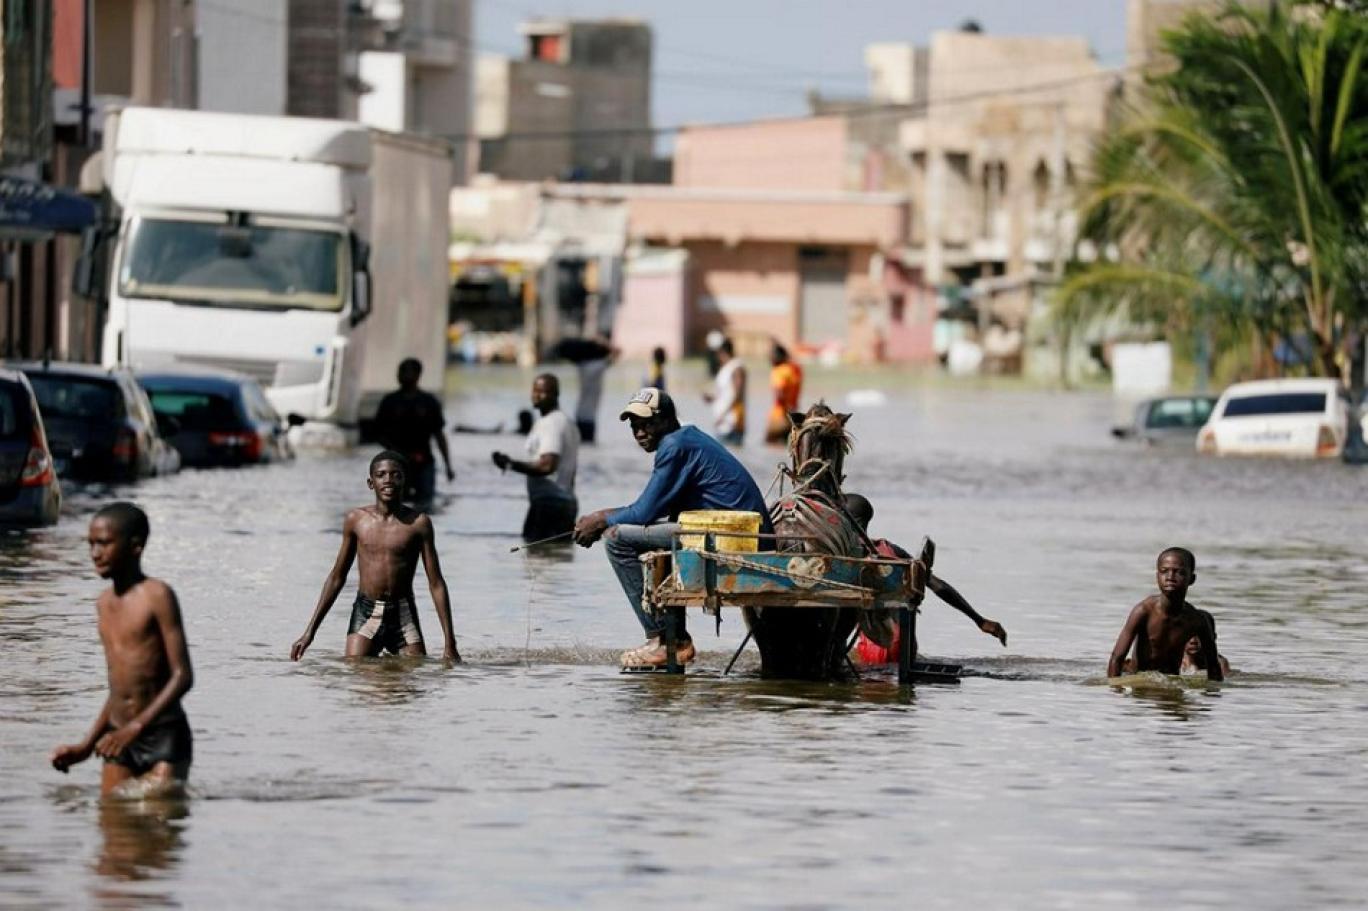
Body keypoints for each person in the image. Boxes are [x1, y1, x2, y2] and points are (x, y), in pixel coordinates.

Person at [573, 388, 772, 669]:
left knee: (617, 538)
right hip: (732, 530)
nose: (640, 432)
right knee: (650, 534)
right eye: (634, 426)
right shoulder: (686, 440)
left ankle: (663, 639)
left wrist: (600, 518)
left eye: (647, 424)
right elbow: (656, 509)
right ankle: (674, 637)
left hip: (732, 535)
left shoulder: (674, 446)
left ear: (666, 419)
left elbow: (643, 511)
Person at [51, 503, 195, 797]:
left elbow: (182, 676)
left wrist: (137, 727)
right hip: (118, 737)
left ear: (135, 546)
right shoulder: (103, 604)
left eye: (104, 543)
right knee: (114, 830)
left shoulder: (157, 596)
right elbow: (118, 691)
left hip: (161, 735)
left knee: (158, 824)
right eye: (91, 544)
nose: (95, 553)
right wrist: (86, 746)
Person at [290, 451, 460, 662]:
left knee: (413, 679)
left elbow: (436, 583)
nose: (388, 480)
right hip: (366, 612)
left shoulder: (419, 524)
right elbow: (337, 577)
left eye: (395, 474)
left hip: (403, 614)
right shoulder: (356, 520)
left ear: (404, 480)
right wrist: (309, 633)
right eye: (381, 475)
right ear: (371, 483)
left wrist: (449, 642)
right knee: (356, 672)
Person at [843, 494, 1007, 664]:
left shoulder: (840, 558)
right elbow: (938, 586)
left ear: (844, 520)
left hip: (872, 647)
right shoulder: (891, 551)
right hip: (904, 646)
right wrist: (979, 620)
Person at [1107, 547, 1223, 680]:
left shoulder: (1197, 620)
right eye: (1164, 571)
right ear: (1157, 576)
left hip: (1172, 681)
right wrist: (1115, 692)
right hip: (1141, 688)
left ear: (1192, 579)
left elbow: (1214, 667)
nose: (1170, 577)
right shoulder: (1143, 611)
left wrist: (1213, 697)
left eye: (1179, 572)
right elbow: (1117, 658)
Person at [492, 374, 580, 542]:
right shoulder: (567, 421)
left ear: (555, 394)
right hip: (565, 502)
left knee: (537, 561)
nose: (536, 395)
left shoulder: (551, 423)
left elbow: (547, 466)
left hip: (549, 505)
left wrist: (510, 464)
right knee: (555, 560)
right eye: (534, 390)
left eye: (543, 391)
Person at [373, 358, 455, 503]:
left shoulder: (429, 402)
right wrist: (395, 452)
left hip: (424, 462)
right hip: (396, 464)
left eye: (405, 372)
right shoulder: (390, 401)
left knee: (425, 503)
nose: (401, 376)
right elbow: (377, 433)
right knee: (395, 503)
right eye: (400, 372)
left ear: (417, 375)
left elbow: (439, 435)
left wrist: (448, 465)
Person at [553, 336, 618, 444]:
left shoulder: (583, 366)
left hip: (581, 415)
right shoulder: (596, 367)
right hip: (588, 418)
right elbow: (617, 352)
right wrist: (602, 342)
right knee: (589, 448)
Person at [703, 338, 746, 445]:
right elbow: (725, 394)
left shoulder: (736, 367)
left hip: (732, 423)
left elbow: (737, 395)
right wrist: (712, 398)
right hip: (722, 424)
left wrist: (722, 415)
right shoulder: (725, 368)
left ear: (722, 351)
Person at [766, 343, 803, 444]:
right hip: (792, 415)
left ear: (777, 356)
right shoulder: (795, 369)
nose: (769, 358)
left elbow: (779, 393)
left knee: (772, 447)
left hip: (779, 416)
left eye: (771, 355)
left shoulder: (779, 371)